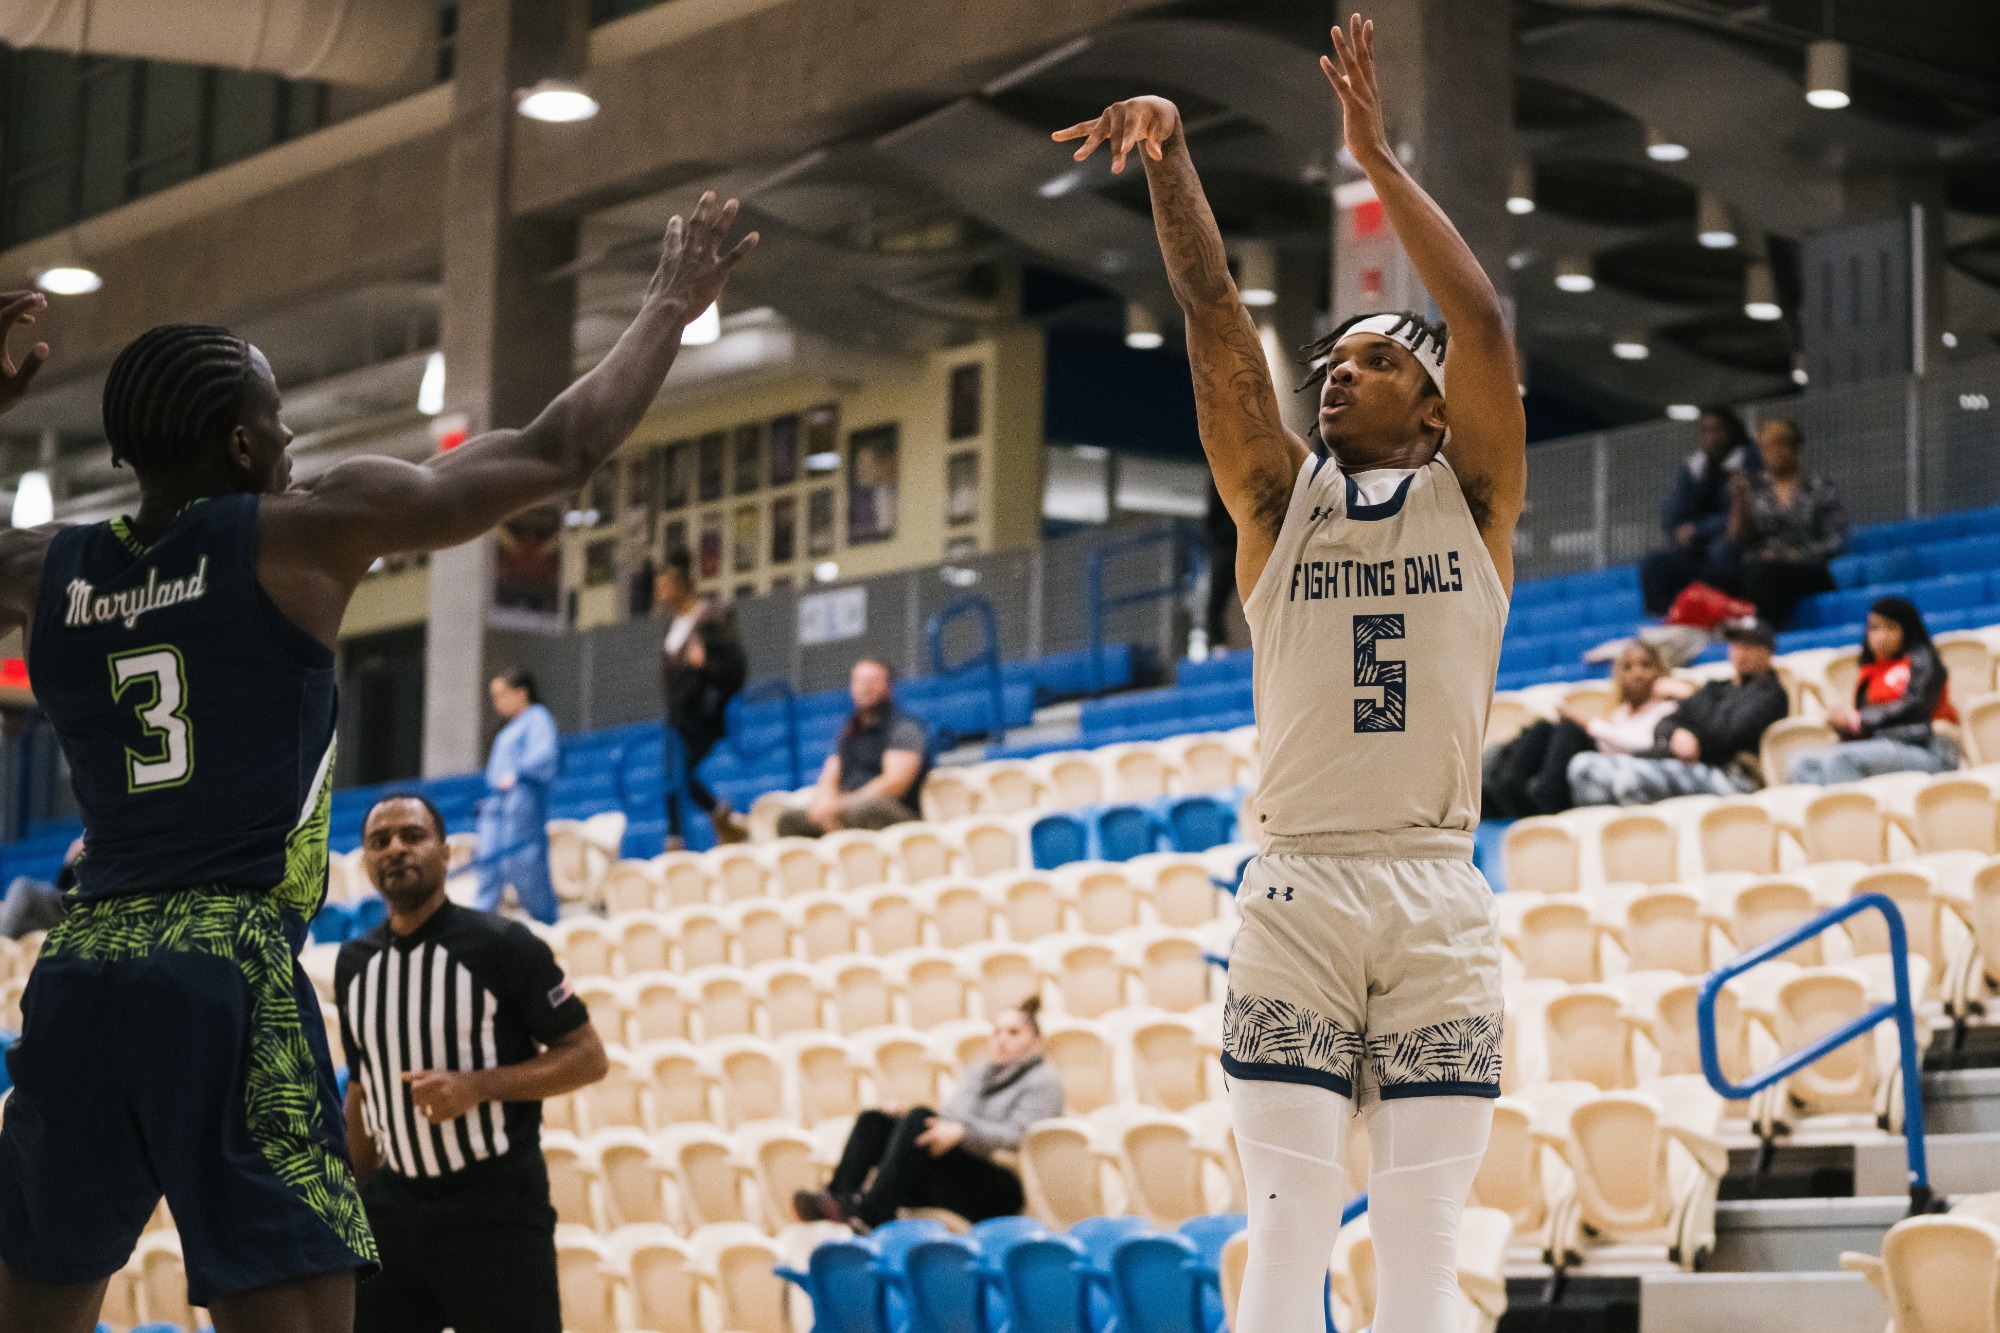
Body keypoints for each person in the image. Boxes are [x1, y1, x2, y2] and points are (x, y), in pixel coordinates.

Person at [0, 194, 753, 1332]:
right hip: (225, 959)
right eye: (278, 414)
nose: (293, 437)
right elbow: (560, 447)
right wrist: (667, 304)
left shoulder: (44, 564)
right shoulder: (300, 527)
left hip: (82, 963)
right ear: (244, 444)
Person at [1052, 18, 1526, 1332]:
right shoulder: (1276, 498)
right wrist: (1170, 163)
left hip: (1436, 890)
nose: (1338, 372)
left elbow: (1479, 315)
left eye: (1375, 358)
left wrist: (1373, 154)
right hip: (1300, 883)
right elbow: (1213, 314)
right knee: (1286, 1249)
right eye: (1331, 360)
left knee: (1424, 1262)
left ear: (1433, 410)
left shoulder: (1475, 498)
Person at [338, 794, 608, 1333]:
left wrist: (478, 1086)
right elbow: (364, 1089)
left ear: (445, 850)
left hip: (495, 1210)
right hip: (394, 1213)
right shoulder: (354, 964)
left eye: (412, 836)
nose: (395, 849)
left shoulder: (504, 945)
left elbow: (588, 1057)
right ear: (366, 862)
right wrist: (350, 1199)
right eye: (379, 841)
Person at [792, 997, 1062, 1231]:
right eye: (997, 1032)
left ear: (1036, 1040)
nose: (1002, 1039)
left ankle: (872, 1214)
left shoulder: (1043, 1080)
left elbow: (1021, 1137)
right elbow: (949, 1115)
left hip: (1001, 1186)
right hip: (956, 1174)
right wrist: (905, 1120)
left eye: (1013, 1032)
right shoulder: (980, 1071)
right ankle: (838, 1197)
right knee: (877, 1120)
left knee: (920, 1118)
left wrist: (962, 1132)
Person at [1568, 618, 1791, 806]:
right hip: (1685, 764)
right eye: (1736, 644)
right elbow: (1667, 722)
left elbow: (1725, 736)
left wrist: (1686, 697)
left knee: (1630, 779)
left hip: (1731, 774)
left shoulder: (1770, 694)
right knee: (1584, 766)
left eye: (1749, 646)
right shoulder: (1717, 688)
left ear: (1768, 651)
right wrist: (1677, 734)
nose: (1740, 652)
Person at [1483, 642, 1688, 818]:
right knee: (1543, 728)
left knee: (1569, 731)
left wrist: (1587, 724)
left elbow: (1643, 744)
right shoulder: (1621, 712)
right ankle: (1506, 788)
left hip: (1619, 768)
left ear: (1658, 671)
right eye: (1628, 667)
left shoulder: (1667, 708)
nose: (1637, 673)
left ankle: (1546, 799)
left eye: (1646, 665)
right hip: (1602, 759)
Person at [1789, 597, 1959, 785]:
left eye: (1891, 627)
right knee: (1801, 763)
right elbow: (1867, 727)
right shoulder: (1870, 672)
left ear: (1907, 630)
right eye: (1874, 628)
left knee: (1841, 759)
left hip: (1927, 747)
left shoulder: (1923, 660)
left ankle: (1853, 814)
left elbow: (1917, 706)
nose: (1881, 636)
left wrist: (1860, 719)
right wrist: (1844, 725)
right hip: (1882, 745)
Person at [775, 659, 928, 837]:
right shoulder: (848, 731)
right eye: (859, 682)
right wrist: (825, 804)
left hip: (895, 811)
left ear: (888, 687)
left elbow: (894, 784)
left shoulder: (904, 728)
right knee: (789, 820)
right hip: (848, 807)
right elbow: (830, 776)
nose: (865, 688)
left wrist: (841, 805)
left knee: (865, 808)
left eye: (872, 682)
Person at [658, 546, 748, 847]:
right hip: (678, 715)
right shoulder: (672, 626)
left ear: (679, 583)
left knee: (678, 774)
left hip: (704, 714)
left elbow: (735, 668)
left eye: (664, 584)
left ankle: (709, 821)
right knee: (671, 777)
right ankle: (696, 827)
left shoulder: (712, 617)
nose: (659, 591)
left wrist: (704, 665)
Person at [1728, 417, 1847, 629]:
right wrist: (1739, 502)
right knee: (1727, 573)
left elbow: (1837, 540)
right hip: (1763, 569)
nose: (1772, 452)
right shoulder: (1757, 491)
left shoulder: (1818, 486)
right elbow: (1741, 539)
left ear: (1795, 447)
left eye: (1779, 445)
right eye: (1765, 447)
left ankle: (1763, 636)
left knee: (1763, 574)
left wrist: (1795, 556)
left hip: (1808, 569)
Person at [1639, 408, 1759, 616]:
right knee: (1654, 563)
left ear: (1733, 431)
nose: (1712, 437)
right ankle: (1666, 622)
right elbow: (1675, 509)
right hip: (1699, 547)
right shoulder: (1694, 466)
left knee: (1723, 552)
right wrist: (1678, 531)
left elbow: (1743, 512)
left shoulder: (1750, 460)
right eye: (1706, 431)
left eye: (1718, 430)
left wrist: (1697, 531)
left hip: (1735, 542)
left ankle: (1723, 616)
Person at [476, 668, 560, 925]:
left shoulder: (538, 718)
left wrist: (519, 773)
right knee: (487, 864)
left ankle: (546, 922)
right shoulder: (507, 729)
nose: (497, 703)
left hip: (522, 803)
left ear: (521, 693)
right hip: (497, 806)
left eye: (502, 694)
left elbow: (544, 756)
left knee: (524, 865)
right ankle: (478, 925)